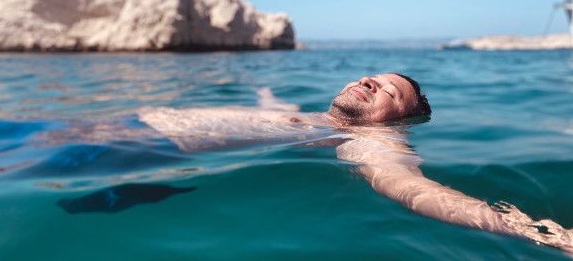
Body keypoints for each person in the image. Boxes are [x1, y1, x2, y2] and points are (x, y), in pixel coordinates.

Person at [139, 73, 573, 255]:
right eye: (372, 77)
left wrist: (539, 232)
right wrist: (263, 92)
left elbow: (408, 187)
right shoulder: (314, 120)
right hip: (128, 131)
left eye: (388, 91)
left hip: (136, 150)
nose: (368, 81)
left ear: (397, 119)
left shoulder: (369, 140)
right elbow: (278, 108)